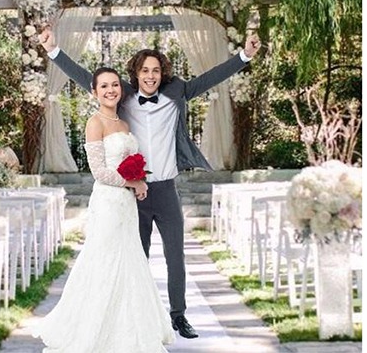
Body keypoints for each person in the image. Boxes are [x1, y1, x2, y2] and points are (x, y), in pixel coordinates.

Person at [38, 27, 261, 339]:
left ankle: (179, 316)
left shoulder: (177, 92)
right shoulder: (123, 96)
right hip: (133, 194)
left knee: (175, 256)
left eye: (156, 70)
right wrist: (53, 51)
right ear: (135, 74)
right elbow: (88, 78)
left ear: (163, 74)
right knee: (135, 258)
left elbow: (211, 77)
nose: (151, 76)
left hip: (166, 189)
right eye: (145, 70)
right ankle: (134, 319)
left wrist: (245, 56)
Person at [33, 67, 175, 352]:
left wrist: (139, 180)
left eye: (114, 85)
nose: (111, 90)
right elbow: (98, 171)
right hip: (109, 202)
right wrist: (132, 182)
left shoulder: (124, 124)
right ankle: (92, 332)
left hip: (126, 205)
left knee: (129, 260)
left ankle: (129, 329)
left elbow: (130, 160)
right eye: (104, 87)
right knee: (104, 262)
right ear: (94, 92)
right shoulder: (94, 122)